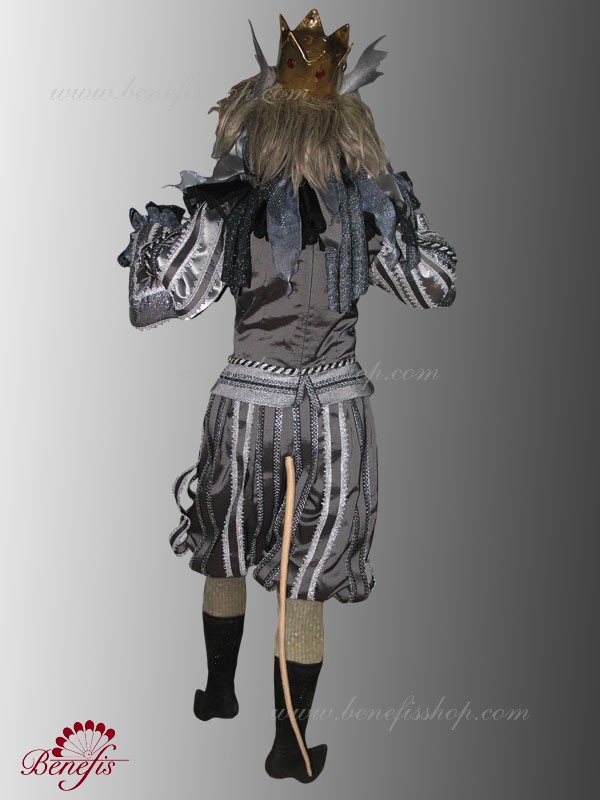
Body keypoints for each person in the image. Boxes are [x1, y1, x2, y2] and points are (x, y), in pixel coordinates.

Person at [117, 8, 457, 783]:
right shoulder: (365, 209)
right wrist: (405, 209)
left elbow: (158, 301)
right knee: (307, 578)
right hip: (335, 413)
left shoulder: (229, 206)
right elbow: (435, 285)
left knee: (227, 542)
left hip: (249, 406)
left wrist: (150, 241)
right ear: (346, 122)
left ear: (263, 117)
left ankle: (218, 693)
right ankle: (289, 745)